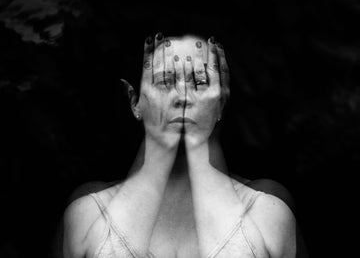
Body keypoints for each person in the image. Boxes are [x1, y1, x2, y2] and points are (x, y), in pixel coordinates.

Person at [62, 33, 305, 258]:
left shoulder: (266, 210)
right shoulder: (90, 214)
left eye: (199, 82)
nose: (183, 96)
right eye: (165, 81)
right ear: (135, 101)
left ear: (221, 101)